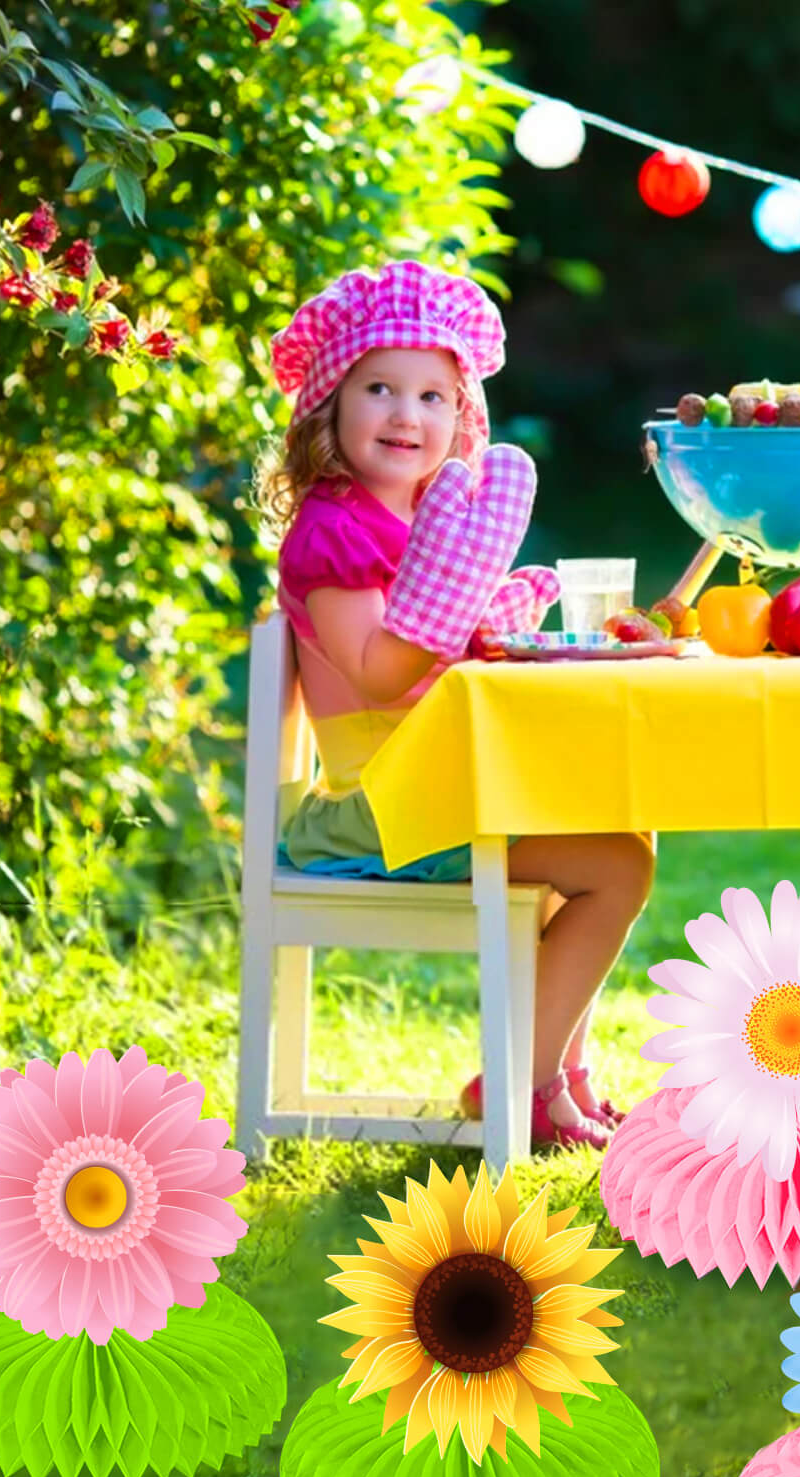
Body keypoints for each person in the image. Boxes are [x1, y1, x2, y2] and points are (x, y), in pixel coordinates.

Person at [259, 260, 653, 1150]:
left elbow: (441, 650)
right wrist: (446, 609)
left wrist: (488, 619)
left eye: (434, 396)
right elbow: (375, 673)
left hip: (435, 786)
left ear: (462, 416)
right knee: (616, 866)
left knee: (624, 825)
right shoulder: (335, 529)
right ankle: (521, 1085)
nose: (408, 415)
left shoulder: (412, 520)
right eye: (381, 389)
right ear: (331, 403)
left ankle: (557, 1077)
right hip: (382, 809)